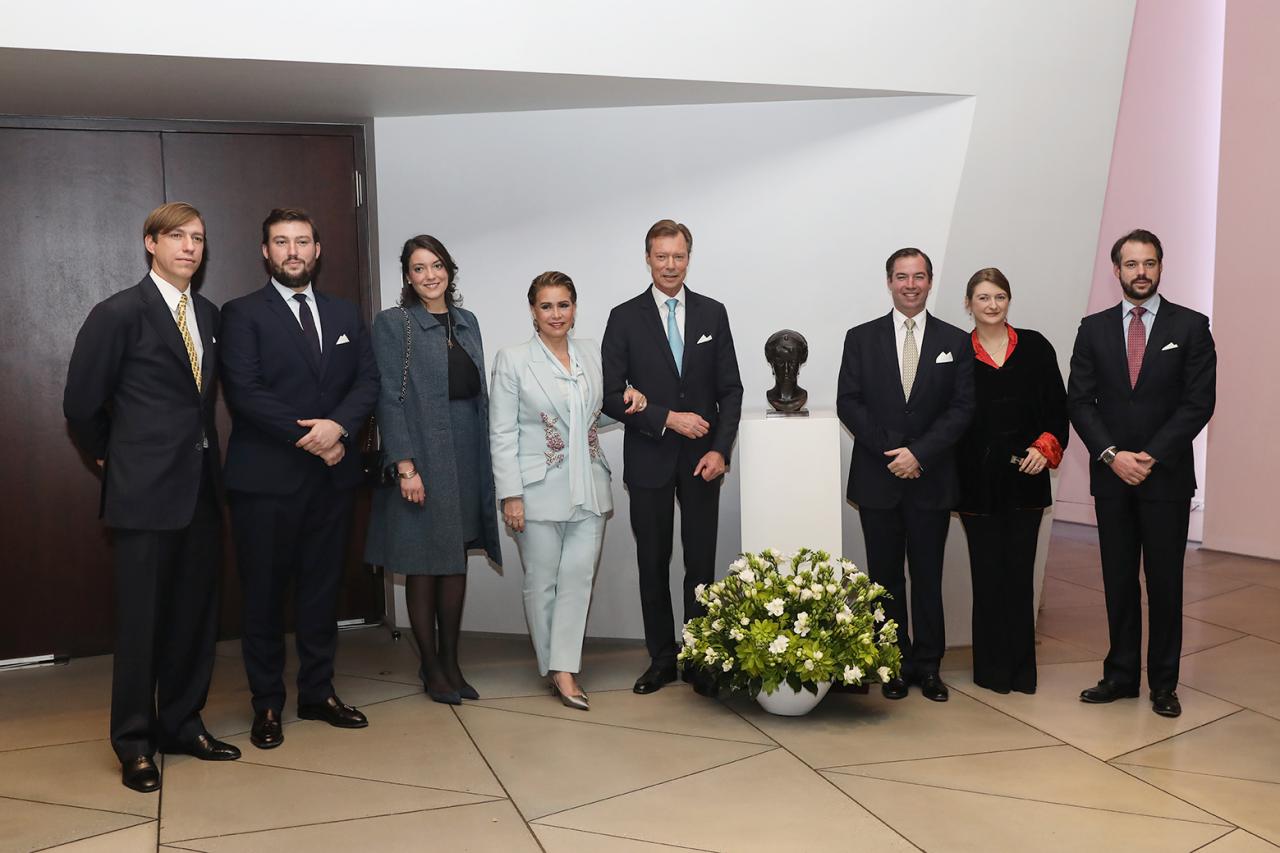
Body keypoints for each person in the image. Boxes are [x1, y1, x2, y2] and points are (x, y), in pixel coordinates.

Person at [64, 202, 240, 793]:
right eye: (177, 237)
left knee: (195, 618)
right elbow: (81, 403)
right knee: (141, 624)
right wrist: (110, 455)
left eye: (198, 237)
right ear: (151, 243)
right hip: (142, 494)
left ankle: (183, 724)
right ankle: (135, 743)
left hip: (200, 493)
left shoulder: (210, 315)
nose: (190, 247)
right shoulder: (119, 312)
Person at [220, 208, 378, 748]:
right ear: (265, 252)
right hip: (266, 482)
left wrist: (339, 427)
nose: (293, 251)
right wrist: (313, 439)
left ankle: (318, 693)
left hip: (332, 483)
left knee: (321, 592)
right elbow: (245, 390)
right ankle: (267, 705)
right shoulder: (240, 314)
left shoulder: (345, 313)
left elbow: (368, 381)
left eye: (303, 241)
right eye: (281, 242)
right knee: (263, 597)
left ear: (318, 250)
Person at [1068, 229, 1216, 718]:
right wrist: (1113, 455)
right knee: (1117, 579)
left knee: (1165, 582)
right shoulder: (1092, 329)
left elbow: (1198, 404)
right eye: (1131, 264)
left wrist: (1149, 455)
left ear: (1160, 266)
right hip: (1112, 476)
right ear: (1117, 271)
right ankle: (1121, 675)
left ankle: (1164, 684)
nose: (1141, 272)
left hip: (1165, 477)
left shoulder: (1192, 327)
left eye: (1149, 263)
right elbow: (1080, 401)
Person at [489, 272, 646, 710]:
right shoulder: (513, 359)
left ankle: (564, 668)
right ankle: (554, 666)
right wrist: (511, 495)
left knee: (578, 579)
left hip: (589, 486)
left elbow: (596, 416)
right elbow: (501, 433)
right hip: (536, 489)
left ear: (575, 308)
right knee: (543, 583)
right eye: (546, 306)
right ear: (533, 312)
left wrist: (630, 400)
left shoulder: (592, 356)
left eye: (563, 305)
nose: (556, 314)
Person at [601, 219, 743, 697]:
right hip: (649, 459)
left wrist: (720, 449)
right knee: (653, 562)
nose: (670, 265)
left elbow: (731, 390)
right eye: (661, 256)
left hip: (703, 461)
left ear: (689, 257)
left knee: (701, 564)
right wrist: (667, 417)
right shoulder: (624, 317)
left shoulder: (713, 313)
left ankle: (700, 658)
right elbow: (609, 394)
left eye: (678, 256)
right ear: (647, 258)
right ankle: (662, 658)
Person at [365, 235, 502, 705]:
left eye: (437, 266)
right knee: (424, 564)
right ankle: (430, 665)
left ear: (449, 270)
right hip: (421, 454)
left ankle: (451, 660)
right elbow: (387, 397)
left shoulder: (468, 323)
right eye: (419, 268)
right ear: (407, 276)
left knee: (455, 559)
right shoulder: (394, 324)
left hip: (466, 452)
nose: (430, 275)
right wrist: (405, 465)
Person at [836, 247, 975, 702]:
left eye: (918, 276)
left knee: (929, 577)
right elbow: (849, 402)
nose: (910, 284)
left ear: (930, 282)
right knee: (885, 579)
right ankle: (891, 663)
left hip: (930, 478)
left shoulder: (956, 341)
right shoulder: (860, 338)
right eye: (901, 276)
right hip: (879, 478)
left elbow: (962, 409)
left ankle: (929, 666)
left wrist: (919, 454)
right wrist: (890, 452)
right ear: (889, 282)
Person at [956, 268, 1068, 695]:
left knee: (1021, 576)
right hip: (976, 484)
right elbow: (950, 418)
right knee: (987, 577)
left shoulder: (1036, 347)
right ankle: (991, 671)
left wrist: (1044, 449)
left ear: (1009, 301)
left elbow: (1058, 408)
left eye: (1000, 296)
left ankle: (1023, 672)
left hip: (1026, 479)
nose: (992, 305)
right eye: (983, 298)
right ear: (969, 304)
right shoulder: (957, 352)